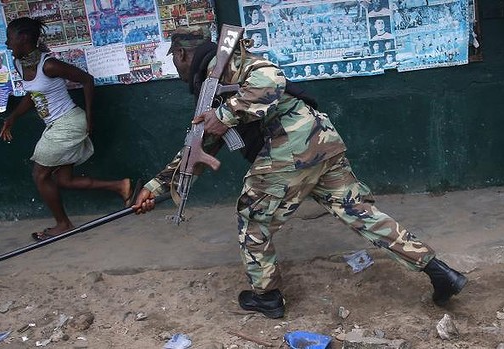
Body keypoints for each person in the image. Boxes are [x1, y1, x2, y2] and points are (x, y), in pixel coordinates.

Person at [133, 25, 467, 319]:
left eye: (173, 58)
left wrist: (228, 113)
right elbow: (199, 146)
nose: (174, 66)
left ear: (180, 54)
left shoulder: (230, 65)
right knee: (360, 213)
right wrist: (156, 188)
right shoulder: (210, 87)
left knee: (253, 218)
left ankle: (266, 297)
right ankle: (439, 271)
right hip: (319, 143)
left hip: (290, 147)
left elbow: (271, 79)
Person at [0, 17, 139, 241]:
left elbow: (87, 80)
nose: (7, 44)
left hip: (69, 123)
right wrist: (13, 117)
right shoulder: (19, 64)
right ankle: (121, 186)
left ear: (24, 38)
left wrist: (90, 119)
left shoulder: (49, 65)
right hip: (55, 126)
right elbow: (33, 95)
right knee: (63, 180)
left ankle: (63, 224)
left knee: (39, 174)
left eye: (10, 39)